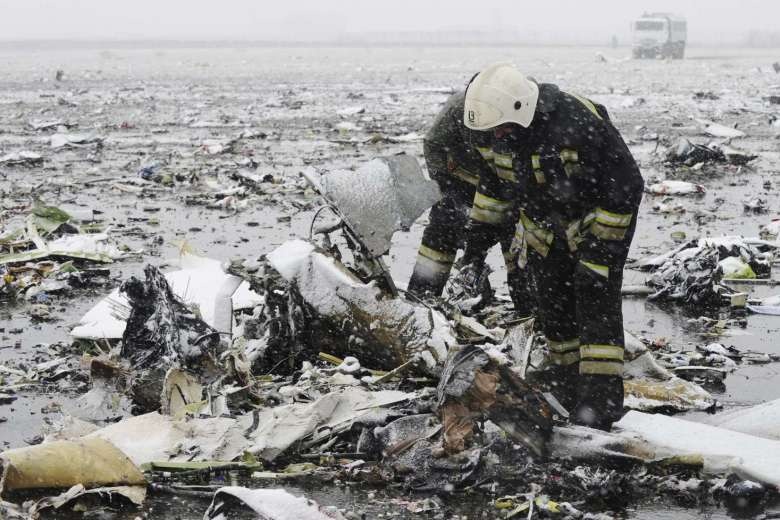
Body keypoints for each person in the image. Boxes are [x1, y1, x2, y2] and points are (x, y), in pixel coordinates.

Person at [460, 63, 644, 430]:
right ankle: (567, 384)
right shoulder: (491, 133)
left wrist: (599, 253)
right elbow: (493, 192)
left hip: (597, 221)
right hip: (544, 228)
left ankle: (600, 400)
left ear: (521, 111)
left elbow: (625, 186)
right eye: (490, 131)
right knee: (554, 305)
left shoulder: (575, 122)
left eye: (501, 128)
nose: (496, 135)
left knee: (595, 301)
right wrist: (475, 250)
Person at [407, 88, 534, 315]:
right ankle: (422, 297)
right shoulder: (458, 108)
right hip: (461, 179)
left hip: (505, 181)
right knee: (443, 229)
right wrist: (444, 187)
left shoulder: (516, 109)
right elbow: (433, 144)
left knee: (514, 238)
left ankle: (528, 310)